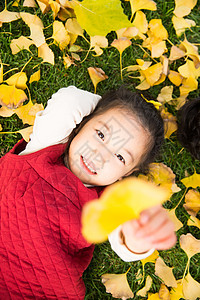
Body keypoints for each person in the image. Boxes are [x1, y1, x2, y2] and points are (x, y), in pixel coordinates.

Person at [0, 86, 176, 299]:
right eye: (100, 134)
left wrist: (136, 240)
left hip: (34, 288)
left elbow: (125, 245)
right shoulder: (45, 144)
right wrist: (110, 106)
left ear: (128, 173)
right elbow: (69, 100)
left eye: (120, 157)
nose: (99, 154)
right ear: (81, 124)